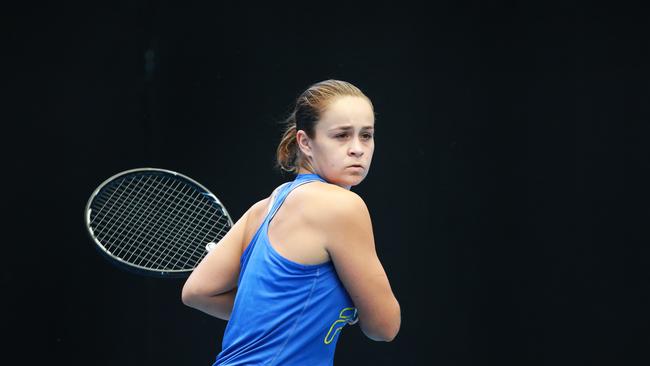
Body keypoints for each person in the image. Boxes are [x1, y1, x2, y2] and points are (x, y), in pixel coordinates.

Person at [182, 79, 400, 365]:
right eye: (342, 136)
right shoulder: (343, 206)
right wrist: (351, 307)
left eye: (366, 135)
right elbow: (384, 327)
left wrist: (291, 310)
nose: (358, 149)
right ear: (305, 142)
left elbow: (197, 292)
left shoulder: (264, 207)